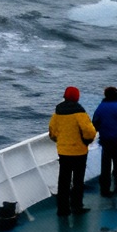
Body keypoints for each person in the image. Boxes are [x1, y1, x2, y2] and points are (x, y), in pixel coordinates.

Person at [49, 86, 96, 216]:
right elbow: (90, 132)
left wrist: (61, 142)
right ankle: (77, 207)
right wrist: (87, 141)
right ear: (76, 97)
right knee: (77, 181)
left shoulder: (57, 113)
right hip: (79, 152)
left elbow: (52, 133)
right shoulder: (80, 113)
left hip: (63, 152)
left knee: (63, 181)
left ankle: (62, 209)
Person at [93, 86, 117, 197]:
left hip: (105, 140)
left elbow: (95, 123)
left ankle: (104, 189)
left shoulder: (100, 108)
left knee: (105, 165)